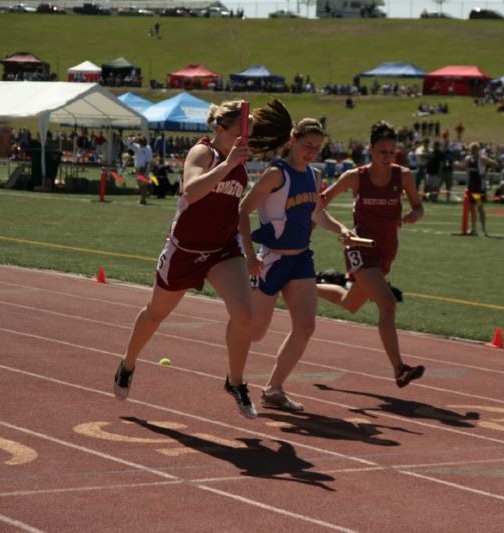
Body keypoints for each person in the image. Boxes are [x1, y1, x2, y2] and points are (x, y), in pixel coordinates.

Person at [113, 100, 259, 418]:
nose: (244, 137)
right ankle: (127, 363)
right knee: (155, 314)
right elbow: (191, 191)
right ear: (221, 128)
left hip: (222, 250)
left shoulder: (239, 158)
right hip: (186, 249)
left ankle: (235, 381)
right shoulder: (204, 153)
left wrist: (247, 251)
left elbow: (233, 206)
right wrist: (228, 164)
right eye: (240, 130)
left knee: (245, 313)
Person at [239, 102, 354, 412]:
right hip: (271, 260)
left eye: (317, 148)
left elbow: (317, 211)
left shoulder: (314, 175)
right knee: (255, 332)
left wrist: (341, 229)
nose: (311, 152)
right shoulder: (276, 174)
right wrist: (249, 255)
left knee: (305, 327)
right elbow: (243, 210)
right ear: (292, 140)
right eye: (307, 146)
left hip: (301, 260)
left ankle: (273, 389)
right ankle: (234, 376)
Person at [316, 121, 426, 389]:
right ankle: (400, 368)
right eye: (382, 152)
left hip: (387, 251)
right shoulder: (355, 177)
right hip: (360, 247)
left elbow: (419, 206)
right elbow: (320, 203)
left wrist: (414, 215)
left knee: (351, 303)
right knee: (387, 303)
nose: (388, 157)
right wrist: (340, 230)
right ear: (370, 150)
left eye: (392, 152)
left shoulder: (404, 176)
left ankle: (307, 285)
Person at [464, 142, 497, 236]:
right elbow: (465, 168)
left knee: (479, 207)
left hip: (478, 187)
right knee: (471, 208)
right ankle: (473, 229)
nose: (473, 151)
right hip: (471, 186)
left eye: (475, 149)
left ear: (478, 150)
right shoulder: (468, 159)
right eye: (471, 149)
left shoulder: (482, 158)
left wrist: (487, 172)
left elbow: (495, 163)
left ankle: (484, 229)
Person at [126, 135, 154, 205]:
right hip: (137, 168)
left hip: (144, 168)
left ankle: (143, 199)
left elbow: (148, 160)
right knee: (140, 185)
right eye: (139, 141)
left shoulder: (148, 148)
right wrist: (134, 140)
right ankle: (142, 198)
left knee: (143, 184)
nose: (140, 143)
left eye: (141, 141)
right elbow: (128, 144)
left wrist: (144, 168)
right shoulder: (137, 147)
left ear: (144, 142)